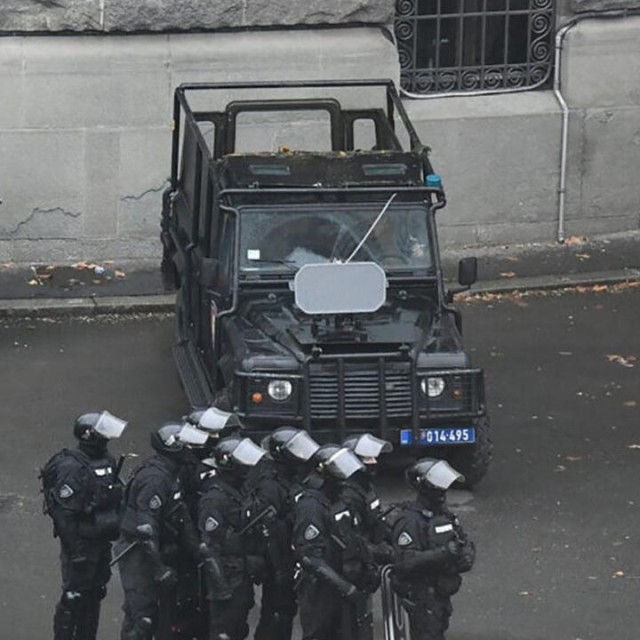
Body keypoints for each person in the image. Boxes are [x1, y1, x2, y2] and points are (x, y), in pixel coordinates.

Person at [41, 410, 128, 640]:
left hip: (100, 542)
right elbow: (64, 516)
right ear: (89, 435)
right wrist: (76, 552)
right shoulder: (71, 467)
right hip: (80, 544)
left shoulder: (107, 460)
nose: (106, 438)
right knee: (73, 597)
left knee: (95, 594)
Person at [116, 423, 203, 640]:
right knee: (143, 618)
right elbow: (145, 531)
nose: (190, 450)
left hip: (156, 549)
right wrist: (159, 569)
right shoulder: (156, 480)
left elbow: (180, 517)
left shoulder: (171, 473)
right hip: (138, 553)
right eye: (186, 446)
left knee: (160, 615)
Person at [390, 458, 476, 640]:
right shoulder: (410, 521)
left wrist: (466, 555)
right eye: (438, 486)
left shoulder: (445, 515)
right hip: (421, 596)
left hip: (441, 595)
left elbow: (463, 542)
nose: (442, 492)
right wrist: (444, 552)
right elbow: (405, 561)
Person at [248, 427, 321, 640]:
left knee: (285, 610)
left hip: (286, 555)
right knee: (276, 612)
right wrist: (279, 569)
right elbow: (268, 531)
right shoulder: (271, 486)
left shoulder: (290, 478)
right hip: (275, 561)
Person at [292, 444, 369, 640]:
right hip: (319, 587)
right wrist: (344, 586)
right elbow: (310, 557)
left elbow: (351, 538)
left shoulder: (338, 498)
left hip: (341, 577)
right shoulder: (310, 505)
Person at [198, 435, 267, 640]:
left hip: (241, 572)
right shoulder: (214, 499)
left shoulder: (239, 490)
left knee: (239, 629)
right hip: (226, 576)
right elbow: (208, 547)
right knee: (223, 632)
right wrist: (220, 588)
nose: (248, 468)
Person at [342, 433, 395, 561]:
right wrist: (380, 552)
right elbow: (351, 538)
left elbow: (377, 520)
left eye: (374, 457)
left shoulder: (367, 487)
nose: (374, 462)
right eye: (368, 458)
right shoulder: (348, 494)